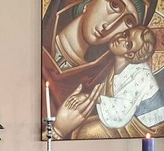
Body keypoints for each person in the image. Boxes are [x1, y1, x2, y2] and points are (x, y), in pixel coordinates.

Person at [42, 0, 155, 138]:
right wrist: (57, 131)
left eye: (129, 22)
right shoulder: (35, 48)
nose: (110, 26)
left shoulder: (95, 86)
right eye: (114, 5)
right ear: (87, 3)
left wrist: (59, 131)